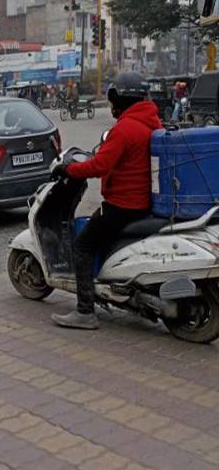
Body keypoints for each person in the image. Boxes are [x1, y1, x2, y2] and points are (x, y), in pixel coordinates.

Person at [50, 72, 162, 329]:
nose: (111, 105)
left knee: (83, 245)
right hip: (144, 203)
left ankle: (85, 311)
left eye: (112, 99)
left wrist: (67, 170)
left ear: (120, 98)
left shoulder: (125, 128)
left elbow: (100, 165)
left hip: (122, 205)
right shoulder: (152, 122)